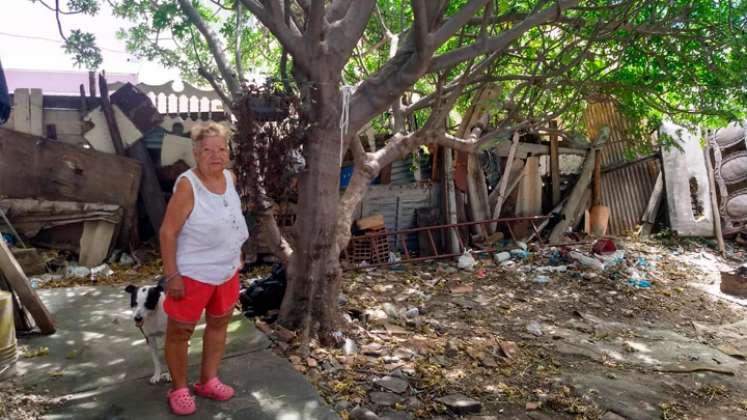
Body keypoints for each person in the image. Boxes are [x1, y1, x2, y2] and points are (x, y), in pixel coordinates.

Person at [159, 122, 248, 416]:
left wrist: (237, 253)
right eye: (208, 150)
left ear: (228, 152)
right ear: (196, 153)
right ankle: (180, 388)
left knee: (219, 323)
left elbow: (231, 218)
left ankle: (208, 380)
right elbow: (168, 233)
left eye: (222, 149)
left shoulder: (230, 178)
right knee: (180, 332)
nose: (216, 155)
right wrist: (172, 275)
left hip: (227, 271)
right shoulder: (188, 185)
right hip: (193, 274)